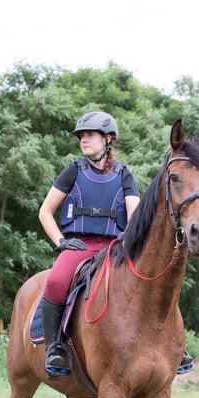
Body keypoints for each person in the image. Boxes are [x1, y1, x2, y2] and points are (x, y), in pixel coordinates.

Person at [38, 111, 141, 377]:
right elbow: (45, 212)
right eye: (82, 136)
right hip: (80, 246)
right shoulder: (74, 170)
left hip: (114, 248)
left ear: (108, 139)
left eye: (90, 135)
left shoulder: (124, 174)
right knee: (55, 281)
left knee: (150, 279)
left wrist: (127, 240)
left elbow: (136, 216)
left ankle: (173, 347)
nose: (84, 140)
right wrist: (61, 241)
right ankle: (54, 348)